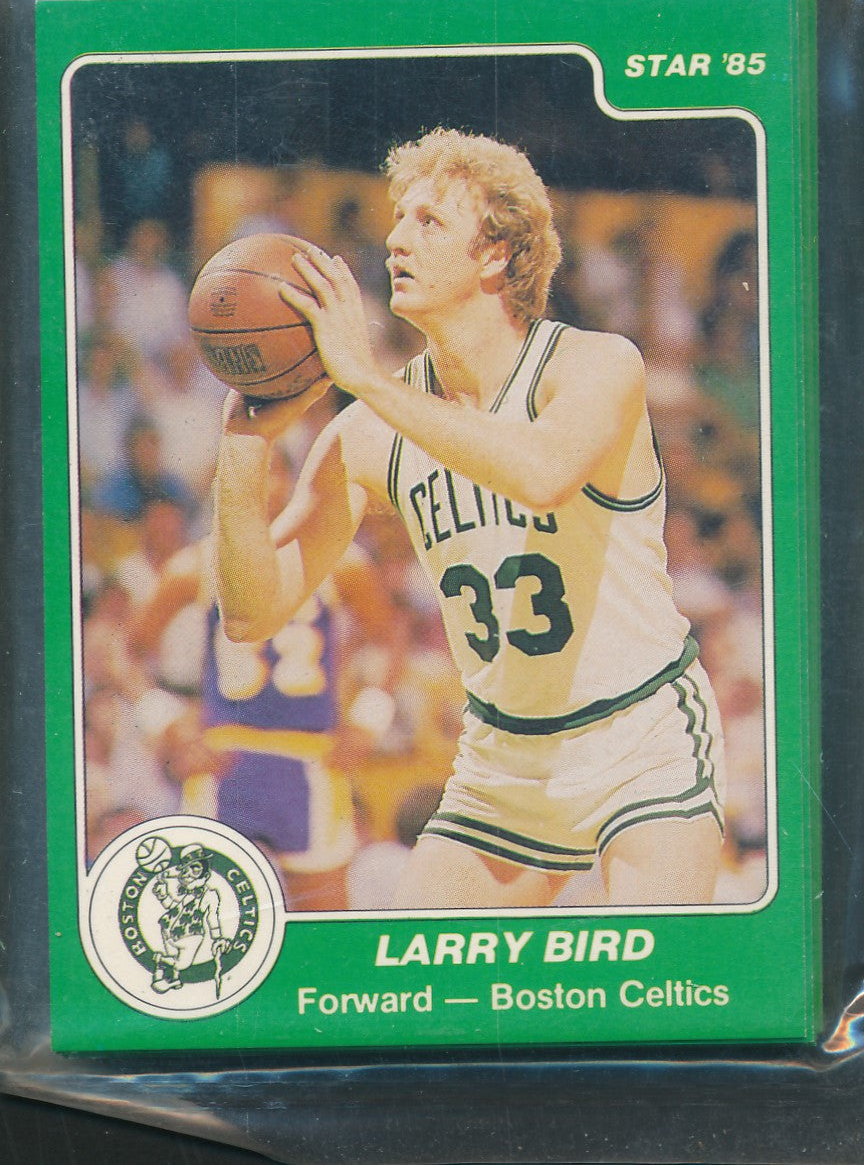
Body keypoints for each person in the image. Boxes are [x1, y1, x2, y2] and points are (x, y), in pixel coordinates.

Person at [213, 127, 726, 909]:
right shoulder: (370, 430)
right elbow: (252, 611)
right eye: (398, 217)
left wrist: (368, 380)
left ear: (495, 255)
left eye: (429, 221)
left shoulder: (594, 365)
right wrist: (243, 445)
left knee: (652, 967)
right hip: (502, 761)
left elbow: (542, 474)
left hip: (640, 735)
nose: (396, 238)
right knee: (416, 972)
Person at [133, 446, 394, 911]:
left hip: (310, 758)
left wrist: (370, 717)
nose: (257, 486)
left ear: (291, 483)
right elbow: (127, 649)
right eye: (243, 475)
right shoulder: (196, 564)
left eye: (270, 472)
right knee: (205, 917)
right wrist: (168, 723)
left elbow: (391, 637)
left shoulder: (340, 560)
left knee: (324, 919)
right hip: (226, 760)